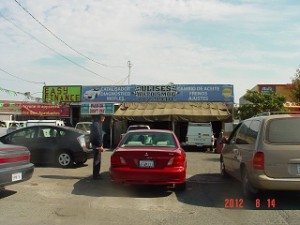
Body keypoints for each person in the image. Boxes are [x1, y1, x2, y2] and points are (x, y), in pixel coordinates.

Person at [90, 114, 105, 180]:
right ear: (101, 118)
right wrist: (100, 145)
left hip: (96, 144)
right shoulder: (96, 124)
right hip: (96, 145)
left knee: (97, 160)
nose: (104, 119)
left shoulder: (96, 124)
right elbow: (98, 135)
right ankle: (96, 175)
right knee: (97, 160)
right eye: (104, 118)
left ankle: (96, 174)